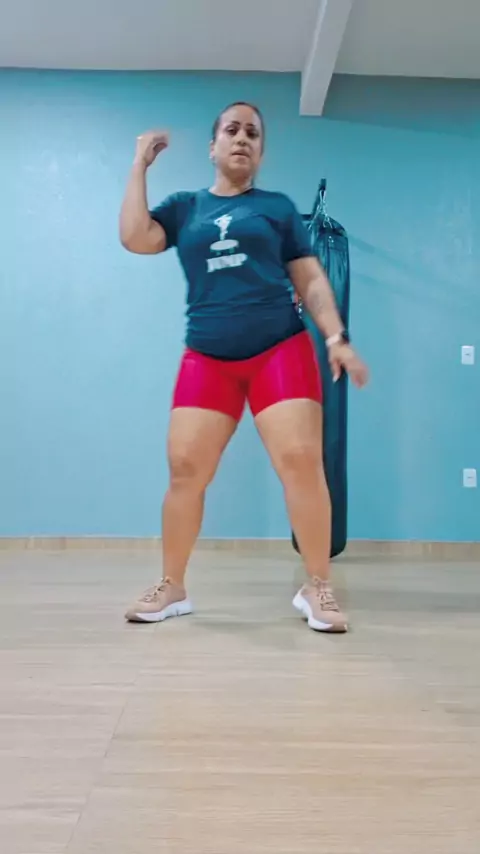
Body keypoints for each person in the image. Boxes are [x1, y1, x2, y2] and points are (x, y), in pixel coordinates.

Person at [119, 101, 368, 633]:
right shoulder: (186, 207)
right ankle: (173, 585)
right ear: (213, 147)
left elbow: (310, 279)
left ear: (260, 151)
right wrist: (139, 164)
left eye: (252, 133)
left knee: (302, 461)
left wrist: (336, 337)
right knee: (185, 469)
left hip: (278, 349)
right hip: (207, 355)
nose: (242, 138)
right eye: (231, 130)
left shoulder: (276, 208)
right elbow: (135, 238)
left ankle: (317, 584)